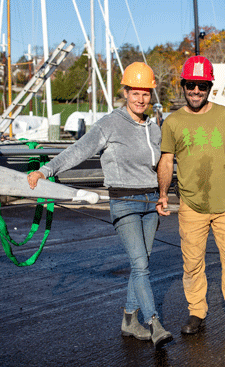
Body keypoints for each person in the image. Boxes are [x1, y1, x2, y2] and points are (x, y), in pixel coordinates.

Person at [27, 62, 173, 348]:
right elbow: (79, 150)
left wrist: (164, 195)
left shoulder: (155, 128)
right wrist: (46, 170)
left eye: (146, 94)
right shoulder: (109, 123)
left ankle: (129, 320)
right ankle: (154, 322)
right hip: (124, 202)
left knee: (140, 264)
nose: (141, 99)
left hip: (150, 202)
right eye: (135, 93)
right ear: (125, 91)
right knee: (141, 265)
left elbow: (163, 166)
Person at [156, 55, 225, 341]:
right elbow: (166, 160)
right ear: (183, 85)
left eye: (201, 85)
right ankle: (197, 312)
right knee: (193, 263)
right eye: (191, 85)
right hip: (191, 205)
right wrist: (163, 195)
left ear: (209, 85)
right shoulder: (173, 121)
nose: (196, 91)